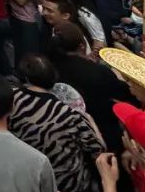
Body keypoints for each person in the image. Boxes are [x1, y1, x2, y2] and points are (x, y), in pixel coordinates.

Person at [7, 54, 104, 192]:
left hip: (34, 179)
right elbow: (98, 150)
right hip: (71, 184)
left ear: (26, 78)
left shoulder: (12, 98)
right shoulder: (68, 114)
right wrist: (91, 121)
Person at [49, 21, 132, 153]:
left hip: (68, 134)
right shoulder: (98, 72)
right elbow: (126, 94)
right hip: (105, 131)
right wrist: (121, 78)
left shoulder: (50, 70)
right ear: (82, 46)